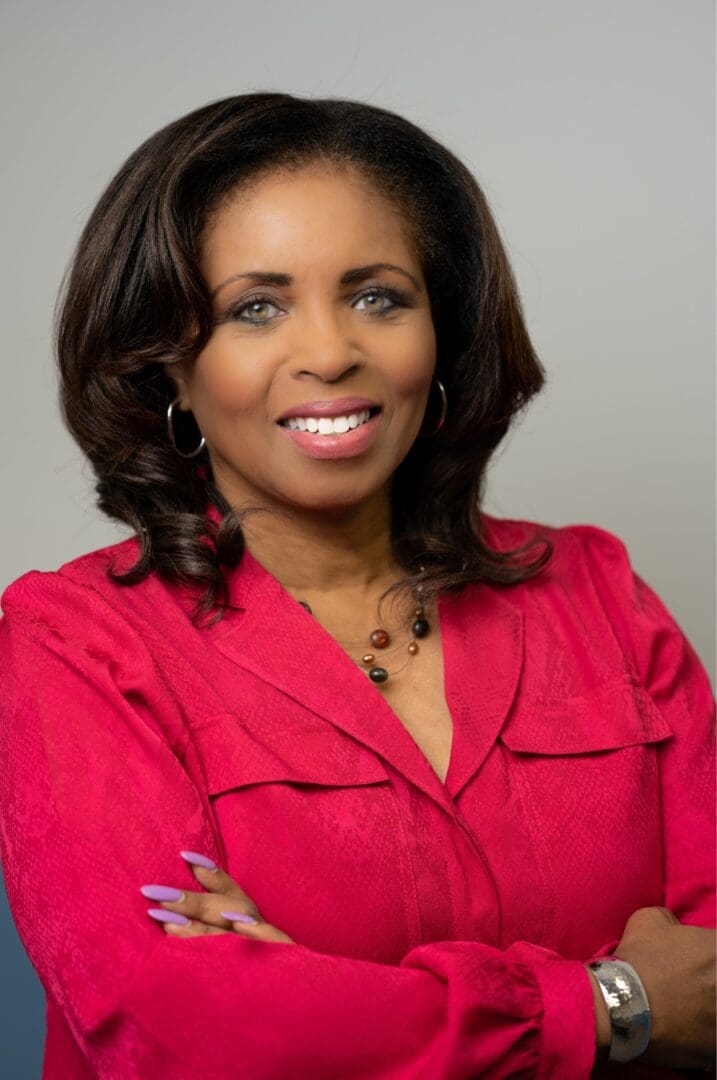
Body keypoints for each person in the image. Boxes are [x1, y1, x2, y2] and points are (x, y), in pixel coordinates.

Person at [0, 92, 714, 1079]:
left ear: (444, 327)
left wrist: (335, 1005)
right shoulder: (75, 642)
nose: (332, 352)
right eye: (256, 307)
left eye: (378, 296)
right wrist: (609, 1009)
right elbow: (184, 1033)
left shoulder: (596, 594)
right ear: (169, 364)